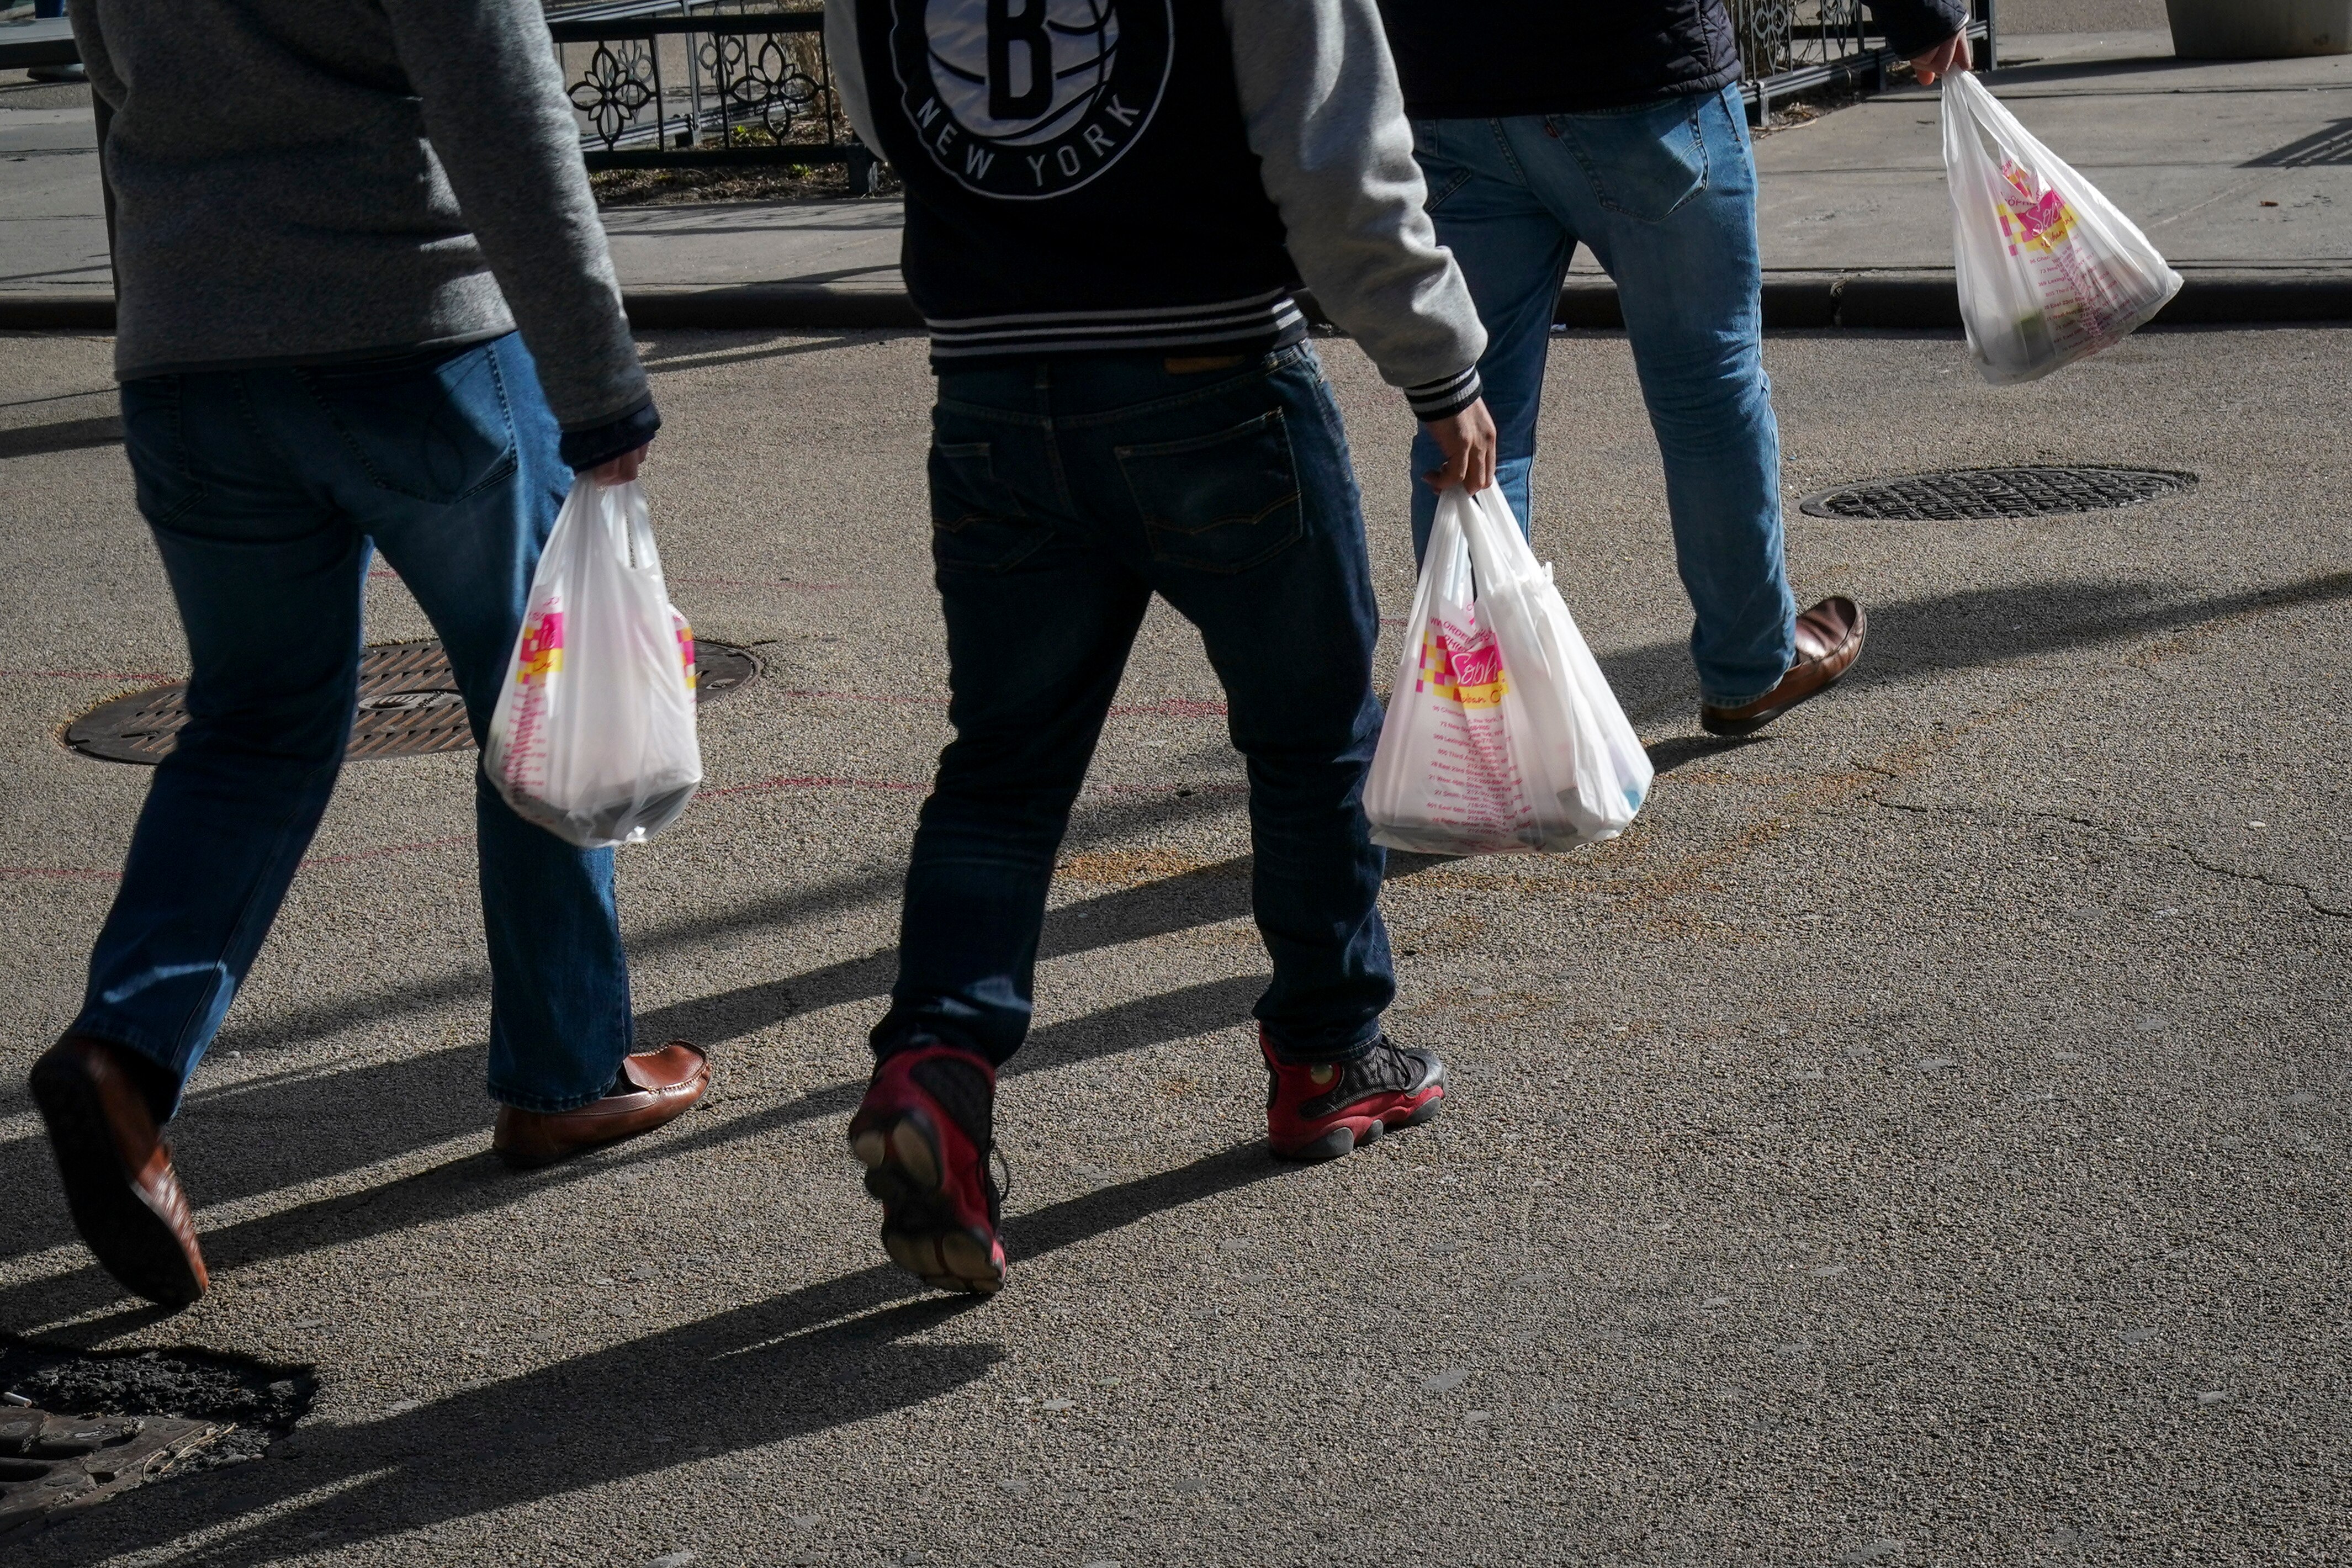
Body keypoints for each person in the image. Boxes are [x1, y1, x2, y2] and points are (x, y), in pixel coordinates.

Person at [30, 0, 709, 1312]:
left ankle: (125, 1052)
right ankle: (565, 1074)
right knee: (534, 698)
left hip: (189, 357)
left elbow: (120, 94)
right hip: (415, 336)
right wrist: (600, 384)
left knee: (253, 723)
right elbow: (505, 108)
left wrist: (161, 326)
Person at [825, 0, 1497, 1295]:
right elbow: (1334, 151)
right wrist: (1440, 365)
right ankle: (1325, 1054)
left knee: (1006, 768)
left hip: (991, 381)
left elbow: (888, 113)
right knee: (1309, 734)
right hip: (1212, 366)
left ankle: (935, 1065)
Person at [1375, 0, 1973, 735]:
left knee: (1471, 412)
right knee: (1707, 395)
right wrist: (1922, 14)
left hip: (1454, 80)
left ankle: (1478, 718)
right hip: (1641, 71)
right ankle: (1749, 666)